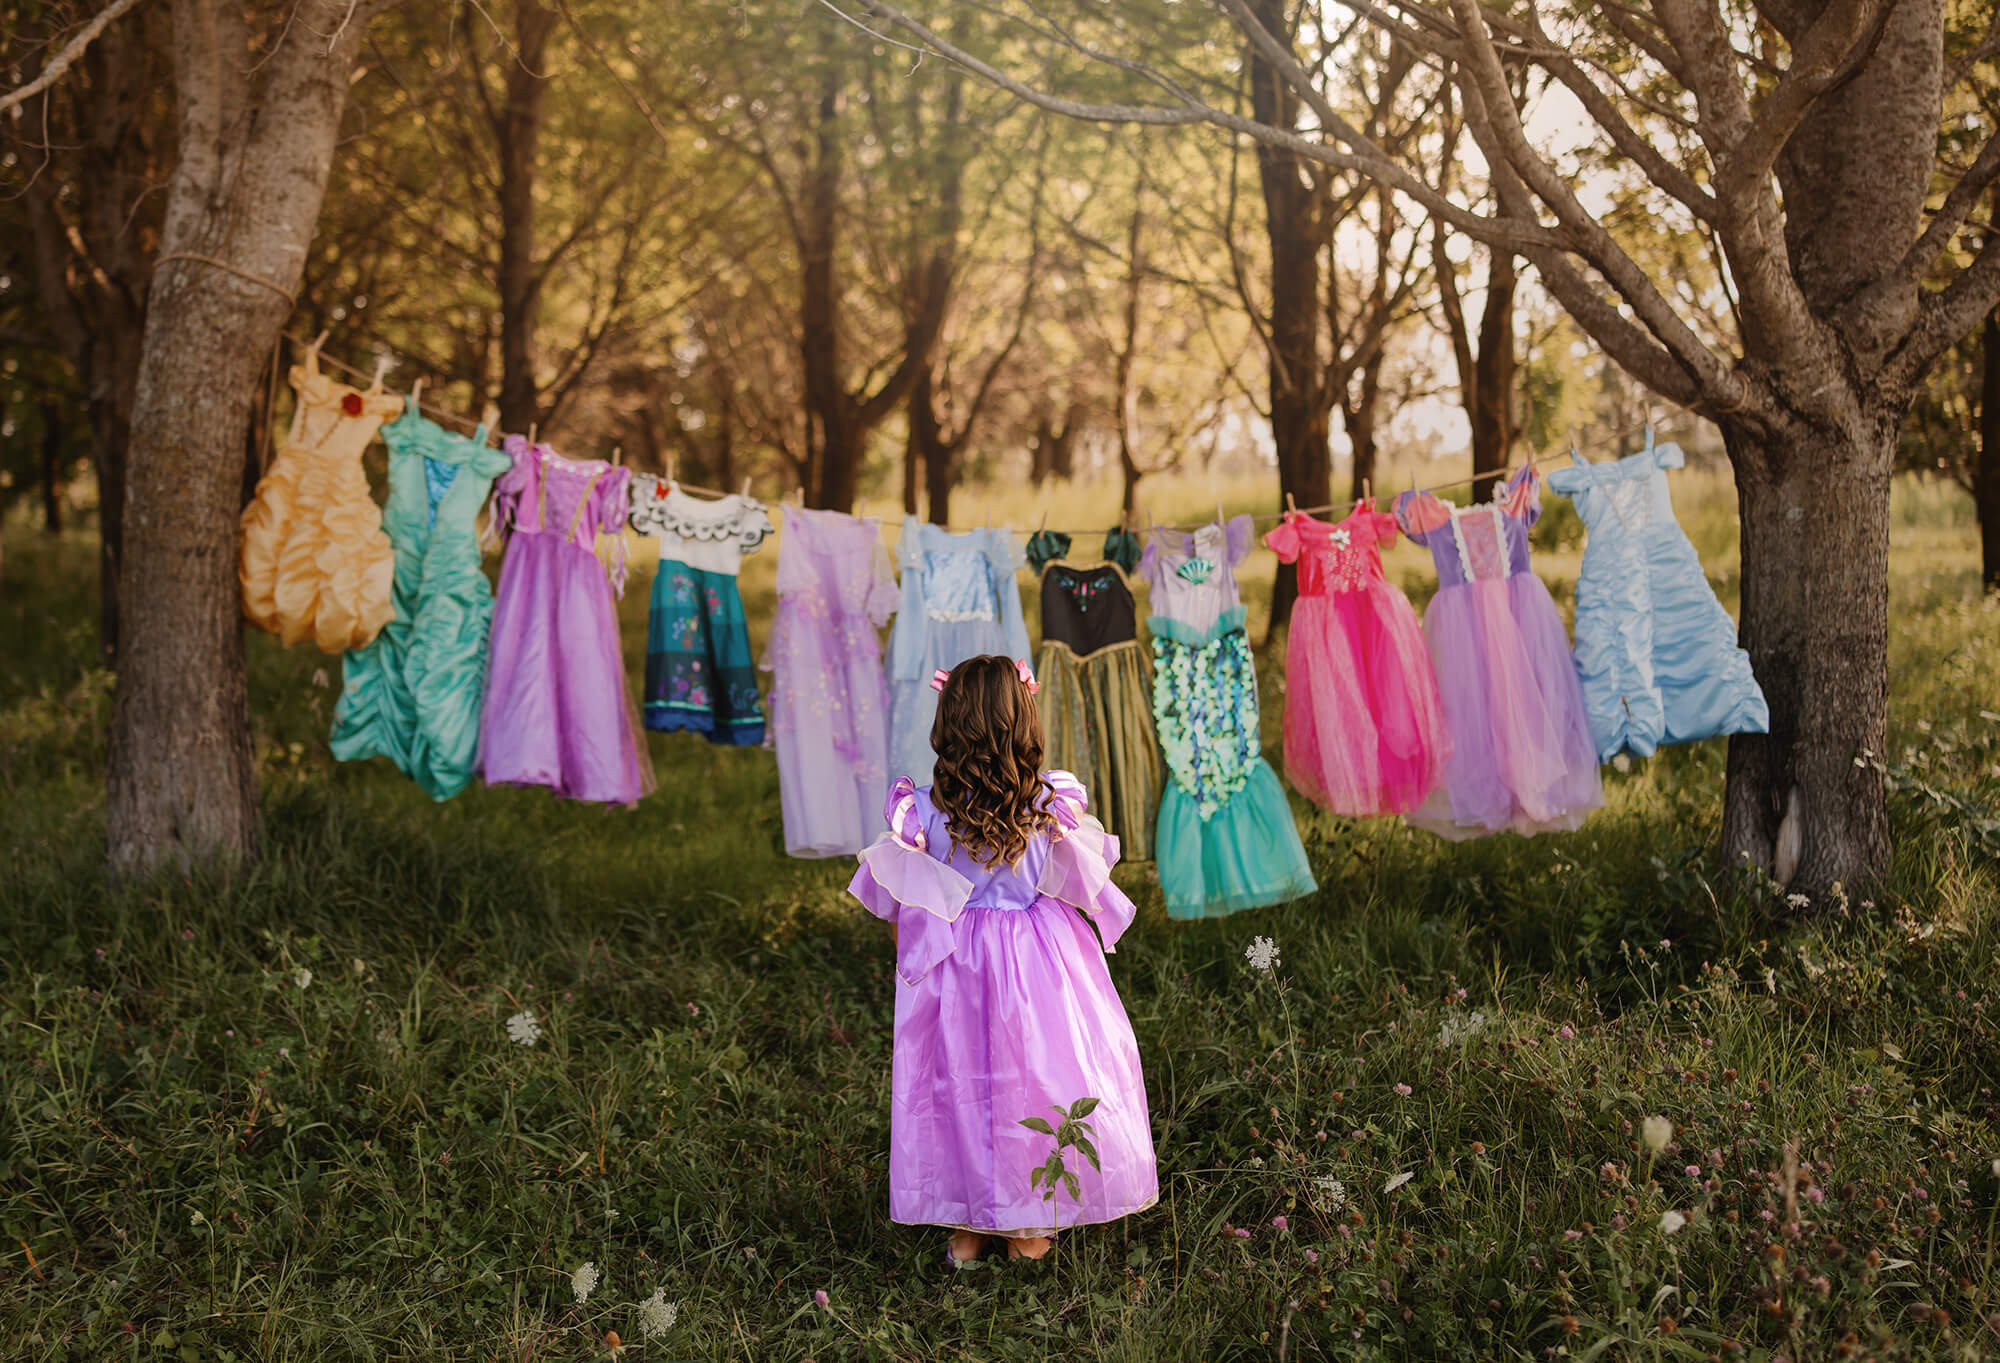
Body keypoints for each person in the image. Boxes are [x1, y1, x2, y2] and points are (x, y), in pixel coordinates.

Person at [848, 653, 1158, 1263]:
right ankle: (1027, 1222)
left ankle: (971, 1223)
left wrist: (925, 973)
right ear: (1023, 718)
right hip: (1037, 961)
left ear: (948, 723)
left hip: (958, 965)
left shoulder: (927, 812)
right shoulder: (1046, 803)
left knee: (962, 1083)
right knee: (1031, 1081)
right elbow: (1075, 885)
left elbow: (902, 908)